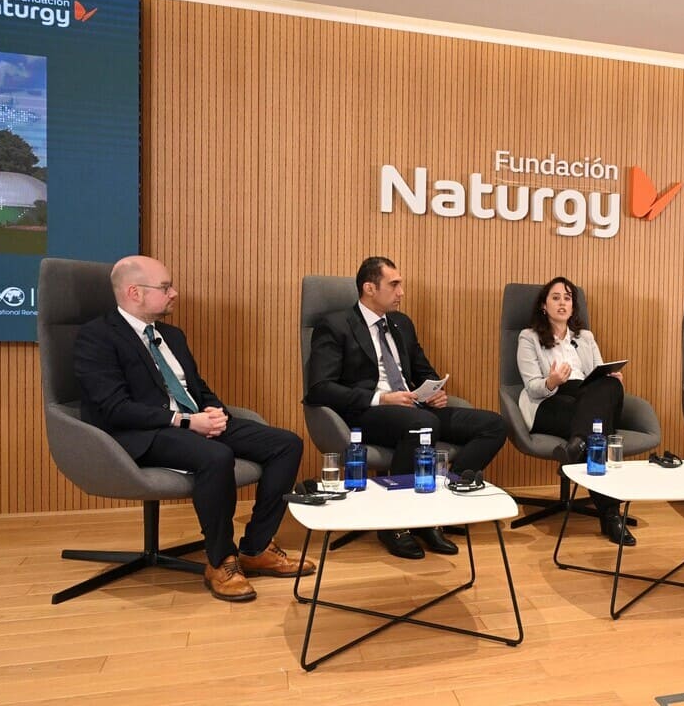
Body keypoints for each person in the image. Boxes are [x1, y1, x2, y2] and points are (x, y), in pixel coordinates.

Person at [73, 256, 313, 603]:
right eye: (166, 287)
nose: (175, 293)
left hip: (193, 420)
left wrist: (215, 411)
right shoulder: (96, 337)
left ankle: (256, 547)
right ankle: (220, 560)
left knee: (286, 444)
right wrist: (187, 422)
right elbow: (115, 409)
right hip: (141, 432)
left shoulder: (171, 335)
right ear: (134, 292)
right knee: (217, 456)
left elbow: (196, 387)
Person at [305, 256, 507, 560]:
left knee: (493, 425)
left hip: (415, 408)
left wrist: (435, 390)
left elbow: (423, 370)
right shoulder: (335, 325)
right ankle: (395, 523)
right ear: (369, 288)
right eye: (394, 284)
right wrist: (381, 398)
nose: (401, 292)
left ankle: (440, 504)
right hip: (365, 412)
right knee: (423, 424)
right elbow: (321, 387)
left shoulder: (402, 323)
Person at [517, 277, 635, 545]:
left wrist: (612, 377)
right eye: (556, 297)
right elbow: (532, 387)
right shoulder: (529, 337)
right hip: (551, 402)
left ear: (573, 306)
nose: (562, 303)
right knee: (599, 431)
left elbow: (598, 373)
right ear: (544, 306)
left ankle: (577, 444)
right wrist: (552, 381)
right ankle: (611, 515)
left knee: (610, 385)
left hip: (586, 396)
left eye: (567, 298)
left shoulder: (585, 337)